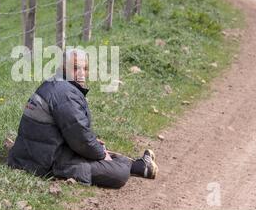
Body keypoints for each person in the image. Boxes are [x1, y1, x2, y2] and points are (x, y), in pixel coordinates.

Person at [8, 48, 158, 188]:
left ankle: (141, 166)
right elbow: (80, 138)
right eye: (75, 68)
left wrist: (95, 147)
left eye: (84, 68)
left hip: (34, 153)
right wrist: (100, 153)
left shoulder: (56, 83)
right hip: (45, 162)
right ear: (63, 67)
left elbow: (72, 129)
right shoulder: (65, 93)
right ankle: (136, 167)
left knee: (99, 149)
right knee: (119, 174)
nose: (80, 73)